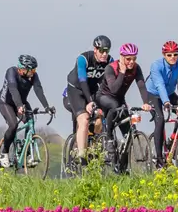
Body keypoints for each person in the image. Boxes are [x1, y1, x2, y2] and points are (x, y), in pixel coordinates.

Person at [96, 43, 152, 159]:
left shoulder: (136, 68)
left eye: (134, 58)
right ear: (121, 57)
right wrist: (122, 72)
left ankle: (123, 168)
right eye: (128, 59)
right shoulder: (111, 68)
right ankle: (109, 138)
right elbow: (114, 89)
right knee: (114, 105)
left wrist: (146, 103)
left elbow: (141, 85)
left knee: (128, 133)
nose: (131, 61)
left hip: (119, 99)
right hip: (104, 97)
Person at [0, 55, 53, 168]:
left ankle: (28, 154)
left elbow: (38, 90)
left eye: (35, 69)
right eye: (32, 69)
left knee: (30, 122)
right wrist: (18, 106)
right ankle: (4, 153)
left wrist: (47, 107)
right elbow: (13, 89)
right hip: (6, 103)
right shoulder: (11, 72)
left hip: (21, 102)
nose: (34, 72)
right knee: (13, 125)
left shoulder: (33, 76)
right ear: (23, 69)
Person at [65, 35, 113, 163]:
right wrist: (90, 101)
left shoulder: (110, 61)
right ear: (95, 49)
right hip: (76, 90)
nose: (104, 54)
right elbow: (82, 80)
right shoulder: (83, 59)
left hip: (93, 91)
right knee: (84, 119)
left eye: (106, 51)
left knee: (99, 120)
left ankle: (92, 147)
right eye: (101, 50)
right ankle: (81, 155)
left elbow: (111, 84)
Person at [145, 41, 178, 168]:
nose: (172, 57)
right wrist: (166, 102)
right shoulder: (156, 66)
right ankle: (159, 159)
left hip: (170, 93)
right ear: (164, 55)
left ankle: (172, 139)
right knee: (160, 119)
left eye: (175, 54)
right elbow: (159, 85)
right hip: (153, 94)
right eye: (169, 55)